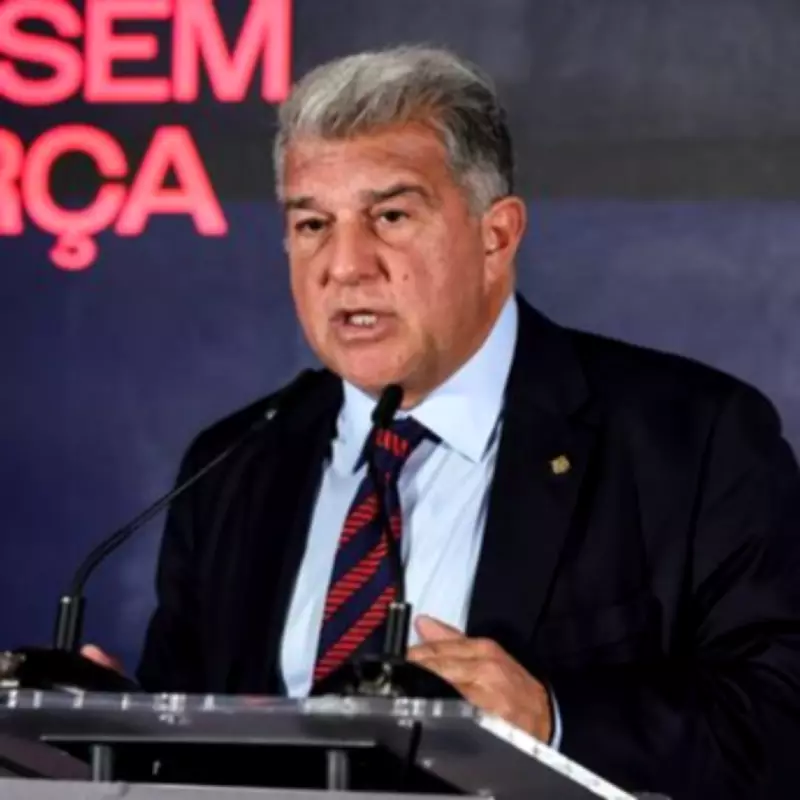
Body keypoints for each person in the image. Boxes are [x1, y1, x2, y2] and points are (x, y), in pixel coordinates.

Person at [85, 46, 800, 799]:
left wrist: (552, 718)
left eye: (390, 216)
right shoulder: (235, 462)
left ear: (497, 237)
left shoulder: (688, 439)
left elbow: (783, 719)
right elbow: (200, 748)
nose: (345, 265)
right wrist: (115, 737)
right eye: (313, 223)